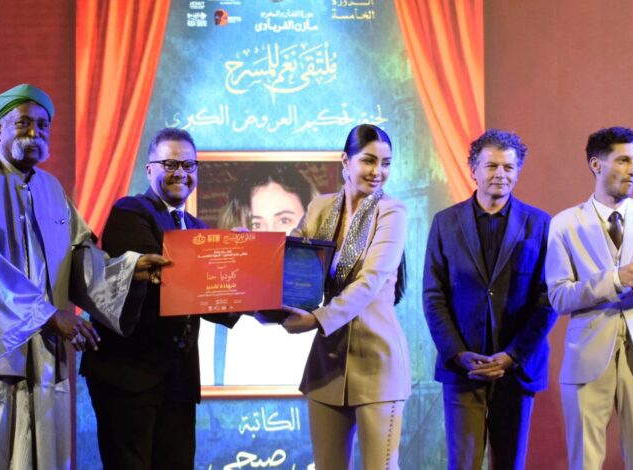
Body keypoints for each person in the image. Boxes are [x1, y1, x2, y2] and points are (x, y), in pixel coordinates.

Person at [0, 83, 167, 469]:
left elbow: (77, 259)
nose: (35, 132)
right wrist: (47, 315)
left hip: (42, 363)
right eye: (23, 123)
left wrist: (128, 270)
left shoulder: (51, 190)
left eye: (43, 125)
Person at [79, 128, 239, 469]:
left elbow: (216, 301)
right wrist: (223, 262)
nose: (180, 172)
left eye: (188, 165)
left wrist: (250, 273)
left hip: (178, 379)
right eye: (170, 164)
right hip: (128, 374)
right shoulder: (130, 211)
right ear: (149, 169)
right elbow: (164, 276)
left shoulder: (197, 228)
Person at [422, 129, 557, 470]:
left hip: (516, 369)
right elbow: (434, 296)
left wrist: (512, 356)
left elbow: (548, 299)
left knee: (511, 464)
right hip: (463, 369)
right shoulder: (445, 223)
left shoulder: (540, 224)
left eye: (509, 167)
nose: (501, 174)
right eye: (491, 166)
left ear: (518, 170)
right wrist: (458, 354)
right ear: (473, 169)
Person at [545, 126, 633, 470]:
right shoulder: (564, 224)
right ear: (596, 164)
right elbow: (559, 297)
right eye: (623, 161)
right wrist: (616, 279)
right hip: (587, 356)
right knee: (585, 462)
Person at [280, 124, 410, 469]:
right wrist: (250, 252)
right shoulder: (320, 207)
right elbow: (290, 259)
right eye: (368, 160)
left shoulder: (392, 212)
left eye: (385, 163)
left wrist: (316, 319)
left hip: (378, 361)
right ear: (345, 161)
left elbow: (370, 282)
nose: (377, 171)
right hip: (328, 361)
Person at [205, 165, 318, 386]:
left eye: (284, 220)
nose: (270, 235)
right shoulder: (215, 322)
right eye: (257, 224)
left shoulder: (332, 312)